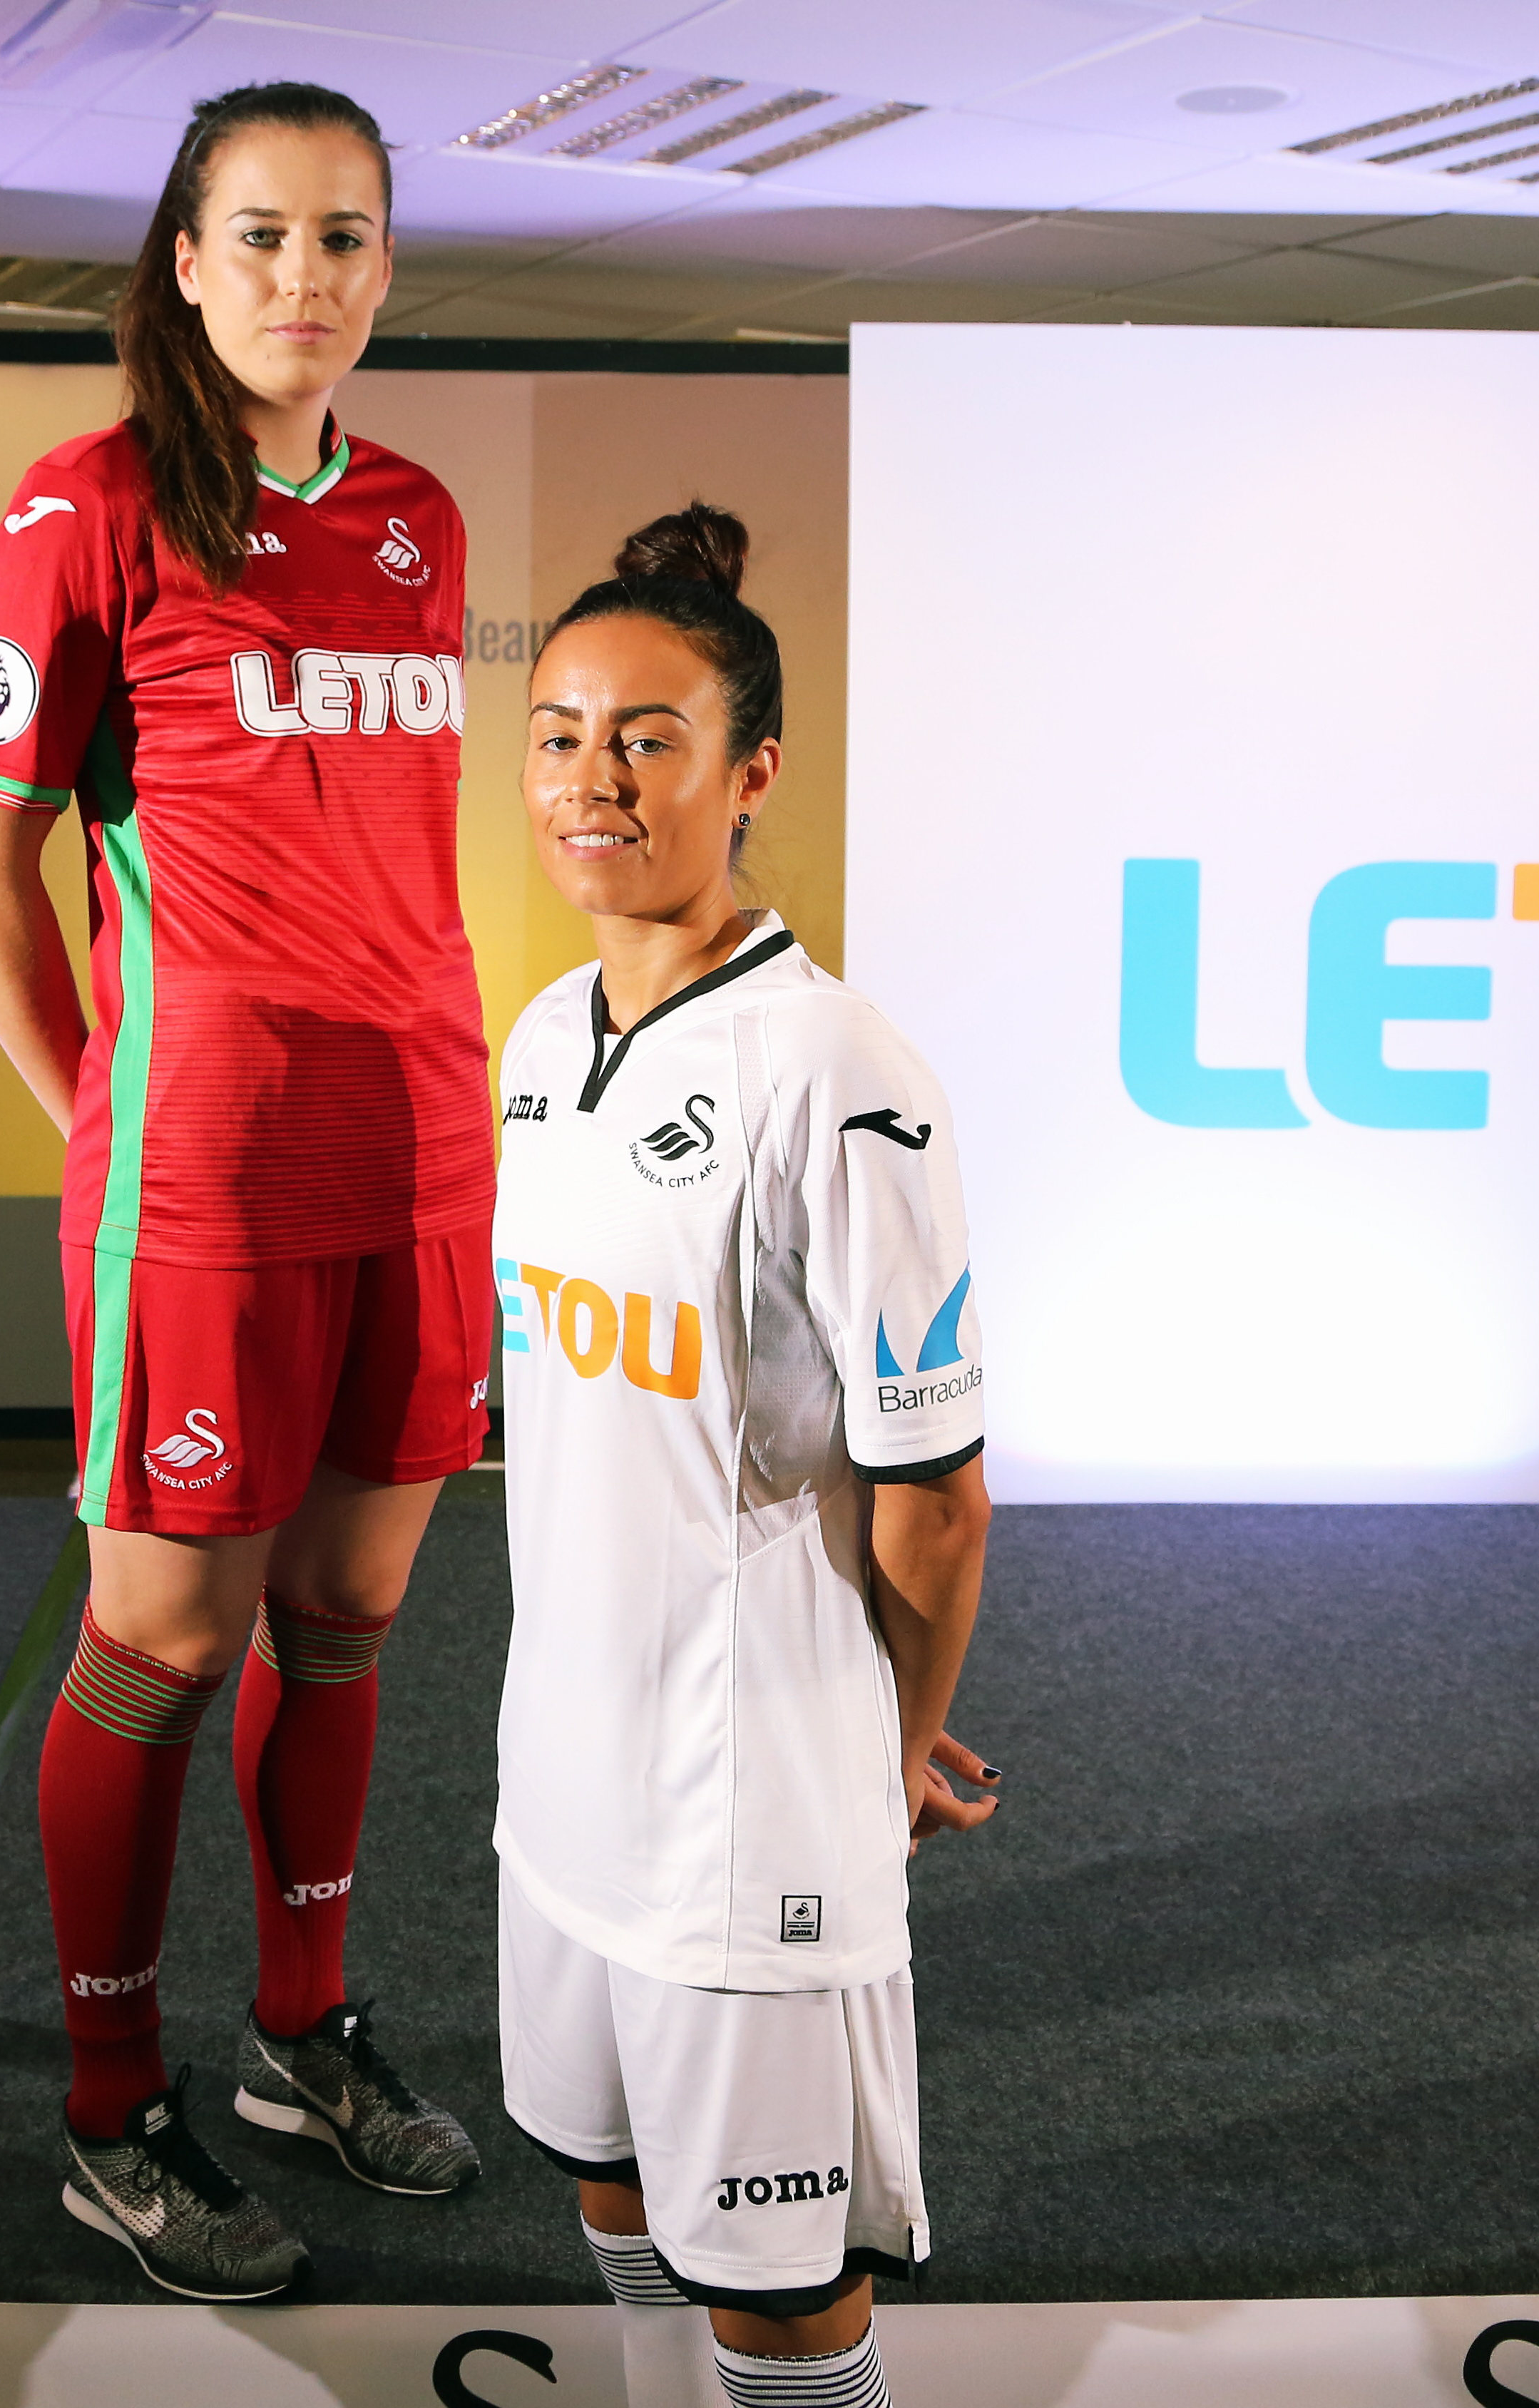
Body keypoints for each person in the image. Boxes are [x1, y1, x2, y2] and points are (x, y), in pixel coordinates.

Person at [0, 81, 492, 2302]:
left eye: (346, 236)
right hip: (210, 1174)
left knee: (348, 1616)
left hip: (423, 1155)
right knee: (164, 1635)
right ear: (181, 256)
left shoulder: (423, 513)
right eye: (260, 234)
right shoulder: (82, 509)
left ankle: (298, 2031)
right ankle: (107, 2106)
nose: (305, 278)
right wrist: (101, 1117)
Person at [489, 504, 998, 2407]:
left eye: (648, 736)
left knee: (777, 2293)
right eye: (557, 731)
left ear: (752, 769)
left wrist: (873, 1753)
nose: (591, 779)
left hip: (748, 1824)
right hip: (564, 1784)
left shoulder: (840, 1073)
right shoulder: (543, 1039)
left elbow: (935, 1498)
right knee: (619, 2199)